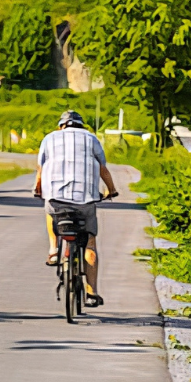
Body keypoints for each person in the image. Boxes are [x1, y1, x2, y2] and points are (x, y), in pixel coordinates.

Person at [33, 110, 118, 307]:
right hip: (85, 201)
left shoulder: (49, 138)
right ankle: (91, 292)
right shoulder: (91, 139)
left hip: (56, 201)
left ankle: (54, 250)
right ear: (81, 125)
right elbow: (103, 169)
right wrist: (112, 190)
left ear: (61, 126)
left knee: (49, 208)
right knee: (89, 243)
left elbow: (41, 169)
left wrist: (39, 189)